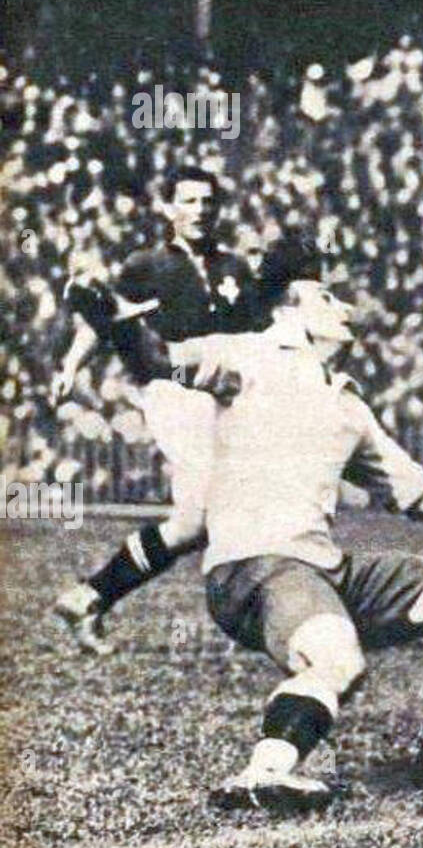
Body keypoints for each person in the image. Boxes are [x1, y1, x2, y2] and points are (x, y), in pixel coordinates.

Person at [70, 256, 423, 811]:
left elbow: (420, 494)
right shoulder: (248, 355)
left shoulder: (346, 401)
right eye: (325, 296)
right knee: (337, 663)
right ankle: (264, 772)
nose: (344, 306)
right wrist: (119, 324)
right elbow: (157, 363)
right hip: (255, 568)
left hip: (324, 569)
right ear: (287, 312)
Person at [52, 164, 264, 655]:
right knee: (220, 506)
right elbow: (102, 323)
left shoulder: (233, 266)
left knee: (194, 522)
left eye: (208, 202)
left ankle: (89, 597)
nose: (200, 211)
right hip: (173, 392)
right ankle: (275, 611)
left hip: (224, 396)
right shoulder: (147, 264)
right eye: (188, 201)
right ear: (168, 208)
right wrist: (69, 365)